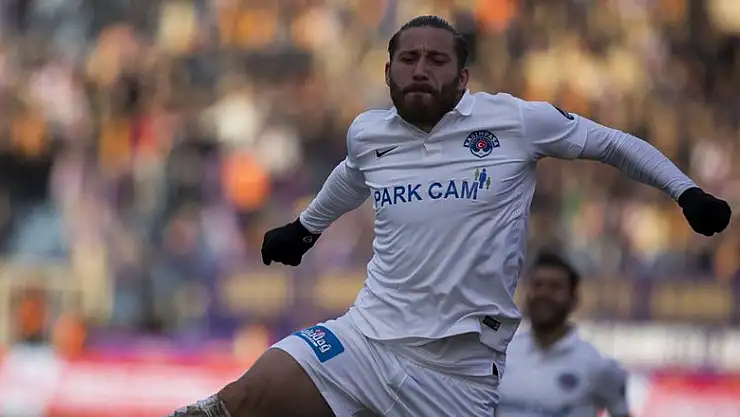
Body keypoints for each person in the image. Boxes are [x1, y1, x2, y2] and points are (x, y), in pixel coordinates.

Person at [167, 15, 731, 417]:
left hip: (456, 375)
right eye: (408, 59)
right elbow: (350, 176)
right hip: (366, 339)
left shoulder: (514, 122)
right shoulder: (369, 133)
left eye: (436, 60)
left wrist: (684, 192)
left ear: (463, 78)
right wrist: (306, 227)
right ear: (388, 71)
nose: (420, 69)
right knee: (237, 401)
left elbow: (611, 143)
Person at [496, 252, 630, 417]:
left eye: (555, 287)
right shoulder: (504, 354)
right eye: (537, 285)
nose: (544, 293)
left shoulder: (597, 366)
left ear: (573, 299)